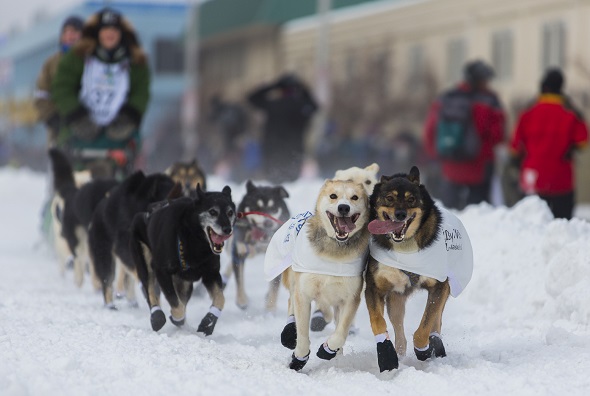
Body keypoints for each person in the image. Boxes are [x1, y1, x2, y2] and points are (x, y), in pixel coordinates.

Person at [52, 8, 150, 179]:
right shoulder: (78, 57)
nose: (109, 34)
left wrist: (128, 118)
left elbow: (141, 93)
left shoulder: (135, 62)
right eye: (105, 30)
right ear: (98, 33)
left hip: (119, 130)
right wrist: (77, 116)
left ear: (121, 33)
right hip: (81, 129)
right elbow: (62, 87)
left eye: (114, 30)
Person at [424, 60, 505, 210]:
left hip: (450, 165)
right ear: (481, 80)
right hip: (480, 166)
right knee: (478, 213)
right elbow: (498, 135)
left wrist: (436, 155)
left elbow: (430, 130)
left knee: (448, 213)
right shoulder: (489, 101)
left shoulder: (446, 98)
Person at [509, 69, 588, 219]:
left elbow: (514, 148)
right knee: (562, 226)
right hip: (561, 180)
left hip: (532, 178)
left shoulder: (528, 112)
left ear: (543, 87)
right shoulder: (570, 113)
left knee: (530, 224)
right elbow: (583, 142)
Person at [247, 73, 317, 183]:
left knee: (273, 182)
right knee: (292, 185)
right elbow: (314, 106)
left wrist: (274, 86)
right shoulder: (300, 105)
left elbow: (252, 98)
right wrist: (303, 88)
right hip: (294, 149)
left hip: (272, 148)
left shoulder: (273, 104)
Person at [34, 15, 84, 148]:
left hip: (86, 124)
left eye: (74, 32)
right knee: (60, 162)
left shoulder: (91, 61)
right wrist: (51, 117)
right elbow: (41, 94)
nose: (69, 36)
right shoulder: (52, 63)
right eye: (66, 32)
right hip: (58, 124)